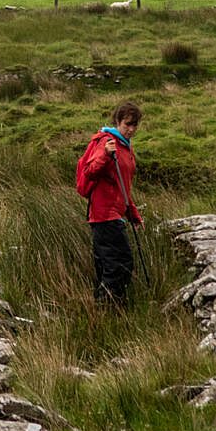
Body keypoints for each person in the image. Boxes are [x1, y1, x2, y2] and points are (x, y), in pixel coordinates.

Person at [75, 100, 143, 306]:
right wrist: (105, 154)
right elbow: (90, 171)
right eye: (127, 124)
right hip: (104, 215)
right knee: (120, 264)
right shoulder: (106, 141)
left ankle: (106, 308)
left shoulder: (125, 146)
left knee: (109, 265)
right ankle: (108, 308)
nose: (131, 129)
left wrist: (133, 215)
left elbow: (123, 186)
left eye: (134, 125)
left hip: (114, 214)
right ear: (117, 121)